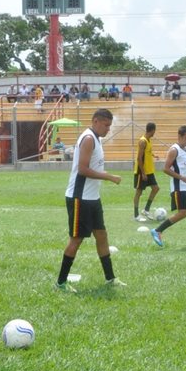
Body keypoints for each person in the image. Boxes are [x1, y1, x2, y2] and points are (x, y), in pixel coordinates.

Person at [57, 109, 125, 292]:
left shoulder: (96, 139)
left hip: (92, 198)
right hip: (80, 198)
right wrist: (108, 176)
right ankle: (61, 283)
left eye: (110, 125)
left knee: (102, 236)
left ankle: (110, 278)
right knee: (76, 240)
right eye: (106, 125)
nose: (108, 129)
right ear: (95, 121)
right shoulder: (88, 139)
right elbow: (82, 169)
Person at [133, 122, 160, 221]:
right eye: (154, 131)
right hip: (142, 172)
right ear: (152, 130)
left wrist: (153, 155)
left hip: (149, 171)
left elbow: (147, 152)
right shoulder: (142, 141)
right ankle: (136, 215)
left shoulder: (148, 140)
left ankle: (146, 210)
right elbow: (139, 158)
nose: (154, 133)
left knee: (156, 188)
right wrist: (143, 173)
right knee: (139, 192)